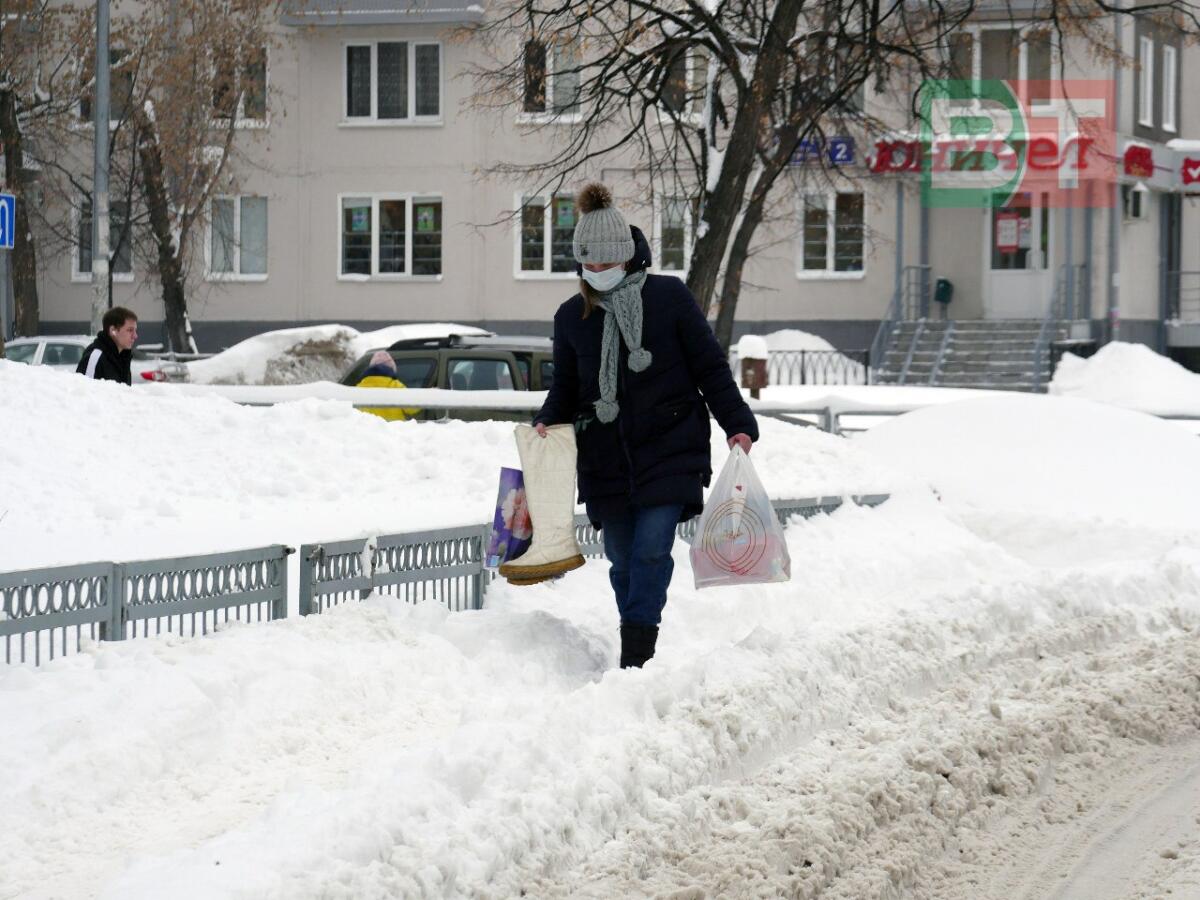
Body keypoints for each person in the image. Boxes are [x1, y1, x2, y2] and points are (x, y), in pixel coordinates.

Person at [532, 182, 758, 669]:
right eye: (587, 265)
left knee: (652, 548)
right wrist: (547, 422)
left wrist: (737, 423)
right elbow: (566, 388)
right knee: (621, 556)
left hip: (670, 444)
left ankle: (636, 652)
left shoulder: (668, 297)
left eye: (604, 263)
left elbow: (709, 366)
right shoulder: (572, 316)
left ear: (626, 255)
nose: (597, 272)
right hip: (606, 455)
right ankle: (635, 630)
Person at [76, 306, 138, 385]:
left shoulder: (124, 358)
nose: (135, 336)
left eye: (135, 330)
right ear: (113, 331)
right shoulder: (95, 357)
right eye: (130, 330)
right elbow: (85, 392)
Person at [354, 350, 420, 421]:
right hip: (394, 430)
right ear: (391, 369)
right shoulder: (396, 386)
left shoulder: (359, 388)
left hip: (367, 430)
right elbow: (414, 408)